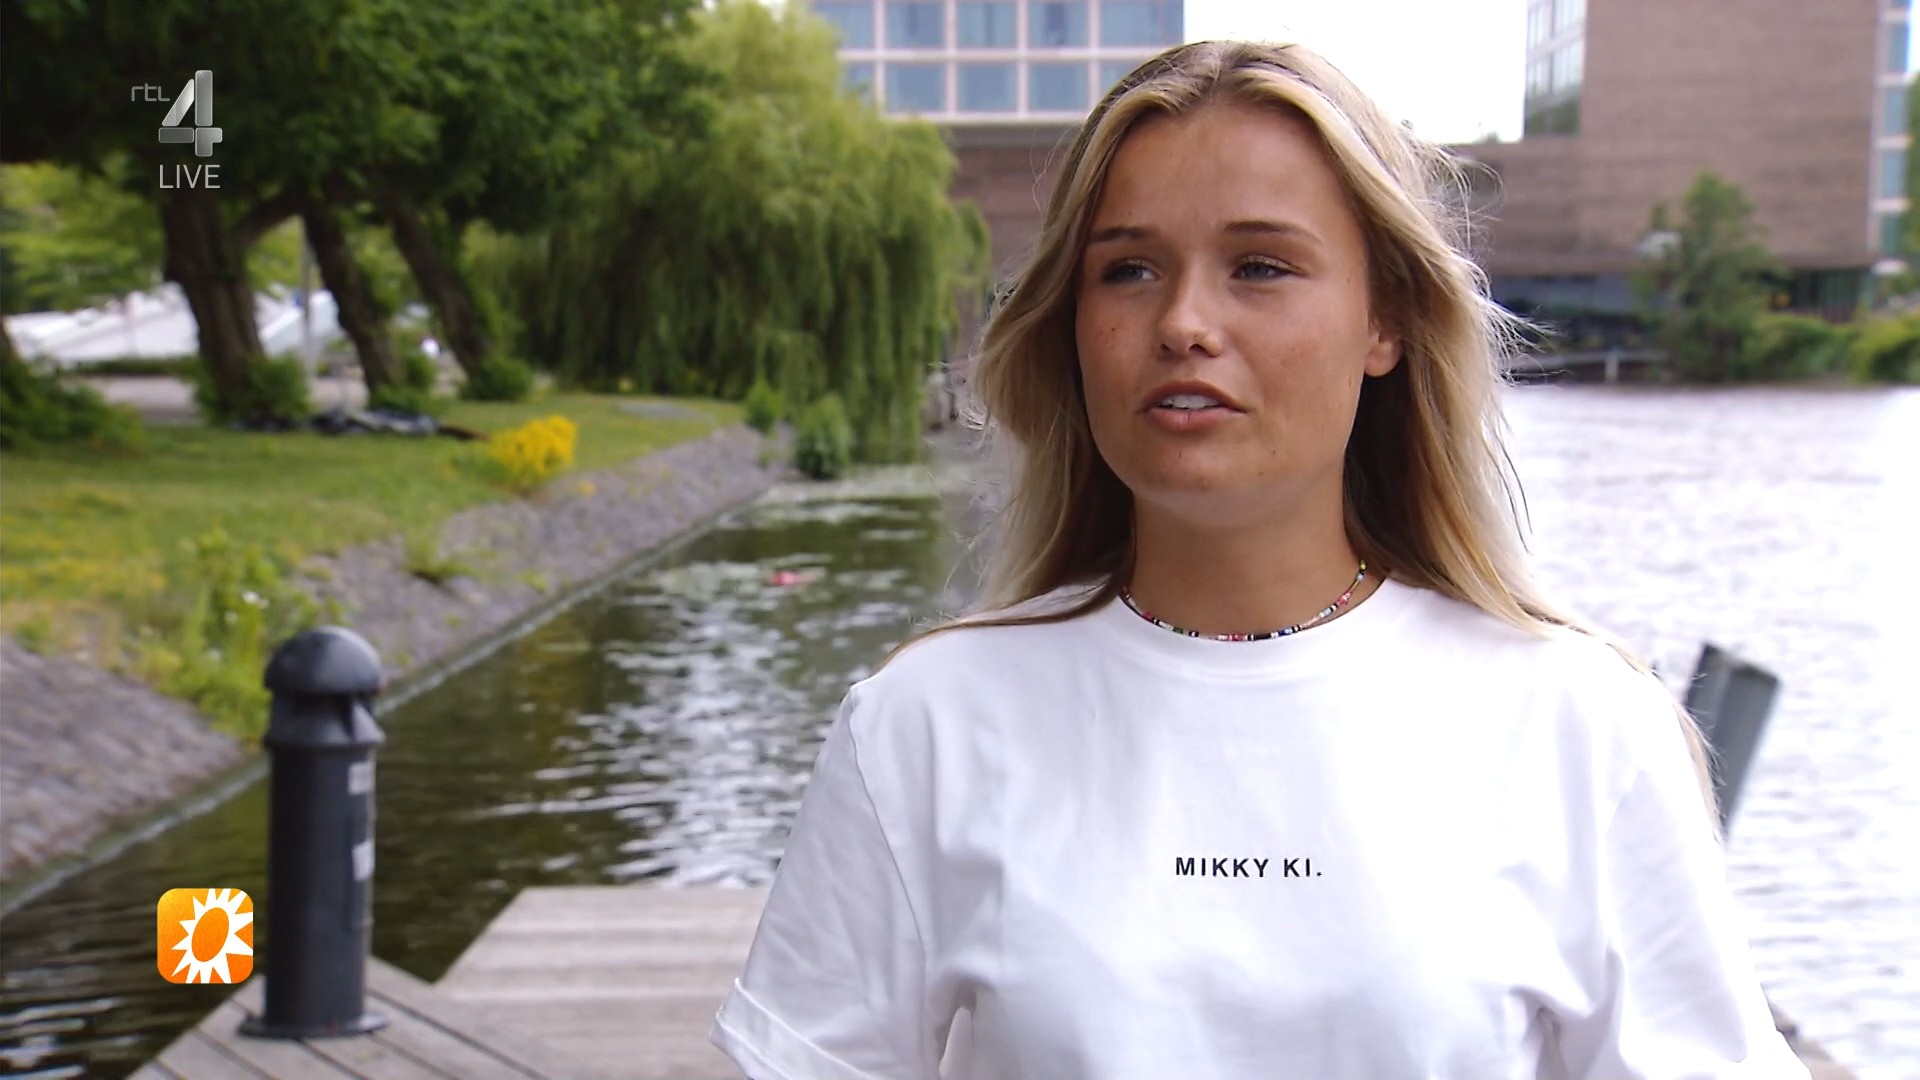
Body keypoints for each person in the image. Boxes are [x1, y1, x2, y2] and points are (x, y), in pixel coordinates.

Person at [707, 39, 1809, 1080]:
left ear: (1384, 322)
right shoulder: (925, 726)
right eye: (1129, 270)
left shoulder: (1581, 727)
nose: (1184, 322)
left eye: (1261, 266)